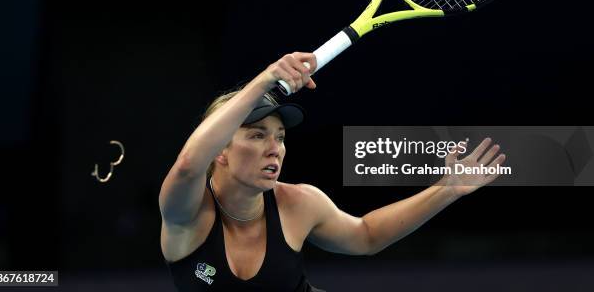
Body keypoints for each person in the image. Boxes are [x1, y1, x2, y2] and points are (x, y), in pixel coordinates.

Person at [159, 52, 506, 291]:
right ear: (220, 149)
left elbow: (367, 235)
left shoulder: (298, 203)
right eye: (256, 135)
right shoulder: (188, 213)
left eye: (280, 137)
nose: (274, 148)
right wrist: (266, 79)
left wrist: (446, 188)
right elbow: (189, 164)